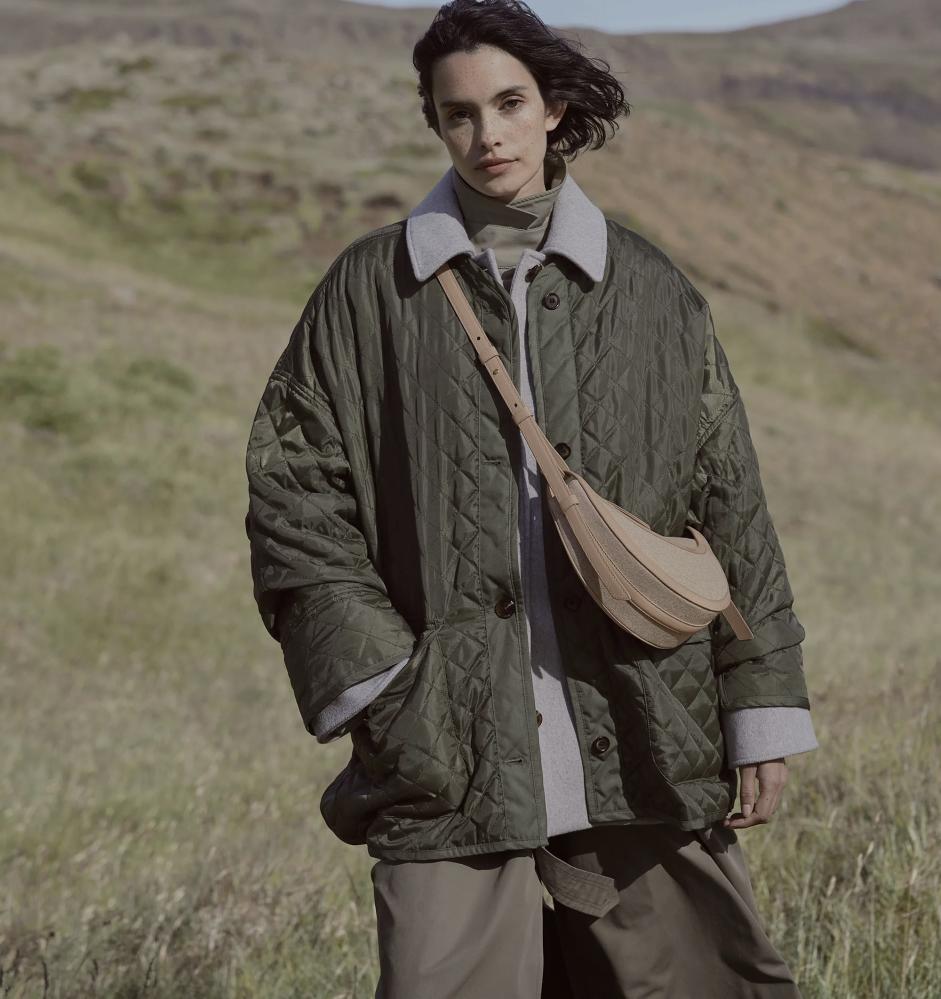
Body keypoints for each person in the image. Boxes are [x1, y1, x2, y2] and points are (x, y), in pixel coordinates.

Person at [243, 1, 819, 995]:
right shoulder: (369, 290)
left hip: (642, 722)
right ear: (434, 124)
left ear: (551, 108)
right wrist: (383, 682)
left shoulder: (647, 288)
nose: (487, 135)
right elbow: (294, 493)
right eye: (458, 113)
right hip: (448, 740)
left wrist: (759, 701)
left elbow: (728, 498)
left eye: (508, 104)